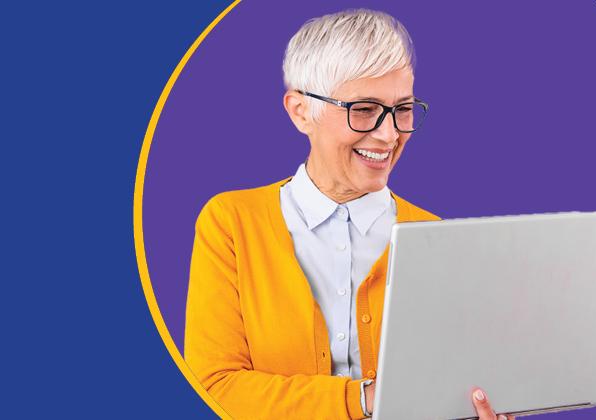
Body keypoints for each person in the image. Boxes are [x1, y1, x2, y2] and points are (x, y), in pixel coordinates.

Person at [184, 8, 516, 420]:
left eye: (403, 109)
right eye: (363, 109)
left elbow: (452, 389)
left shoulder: (434, 236)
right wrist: (364, 398)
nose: (389, 134)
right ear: (301, 111)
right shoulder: (232, 222)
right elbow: (215, 387)